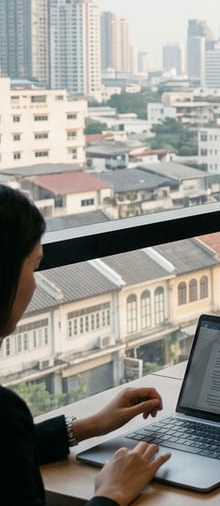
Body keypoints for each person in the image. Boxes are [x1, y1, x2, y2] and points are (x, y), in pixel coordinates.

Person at [0, 185, 171, 506]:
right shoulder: (5, 413)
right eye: (34, 267)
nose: (35, 284)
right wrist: (111, 494)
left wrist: (88, 426)